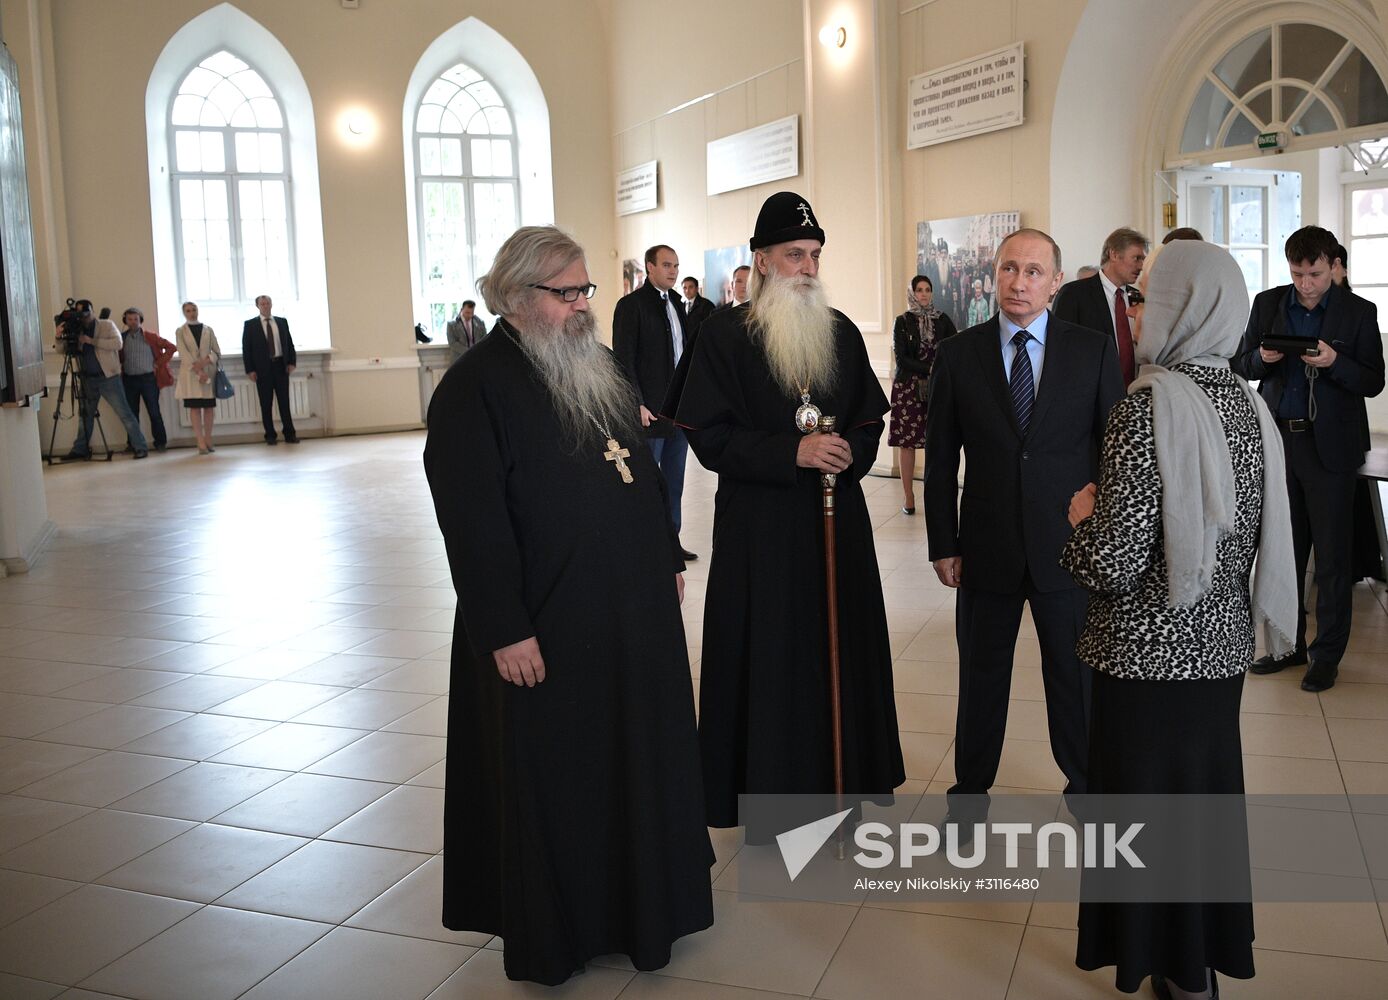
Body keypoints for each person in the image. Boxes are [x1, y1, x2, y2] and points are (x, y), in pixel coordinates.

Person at [423, 225, 713, 985]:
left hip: (633, 615)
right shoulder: (473, 389)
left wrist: (663, 557)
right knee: (564, 782)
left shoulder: (603, 366)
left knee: (637, 763)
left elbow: (641, 475)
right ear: (517, 299)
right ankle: (566, 930)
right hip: (544, 628)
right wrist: (505, 630)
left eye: (587, 289)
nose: (585, 305)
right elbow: (471, 524)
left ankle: (642, 909)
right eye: (568, 293)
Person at [1063, 240, 1297, 1000]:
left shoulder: (1149, 405)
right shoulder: (1247, 402)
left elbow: (1115, 562)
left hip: (1144, 660)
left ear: (1177, 307)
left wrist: (1081, 519)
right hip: (1218, 651)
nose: (1138, 310)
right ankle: (1197, 966)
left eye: (1147, 297)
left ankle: (1164, 965)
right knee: (1198, 809)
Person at [668, 191, 905, 835]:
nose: (807, 268)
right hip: (761, 528)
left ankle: (845, 784)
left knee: (838, 648)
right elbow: (709, 437)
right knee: (768, 653)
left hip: (837, 522)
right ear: (764, 262)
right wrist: (792, 452)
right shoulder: (723, 336)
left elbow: (866, 419)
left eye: (815, 256)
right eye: (794, 255)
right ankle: (770, 794)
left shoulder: (841, 331)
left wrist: (847, 453)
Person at [923, 228, 1124, 828]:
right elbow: (940, 459)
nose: (1019, 281)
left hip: (1068, 548)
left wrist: (1106, 535)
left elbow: (1113, 449)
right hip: (986, 547)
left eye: (1034, 271)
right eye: (1010, 268)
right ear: (995, 276)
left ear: (1056, 282)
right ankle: (970, 794)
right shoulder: (960, 355)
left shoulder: (1090, 350)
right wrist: (942, 541)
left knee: (1073, 676)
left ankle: (1085, 789)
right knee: (981, 677)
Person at [1231, 225, 1385, 691]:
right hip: (1279, 442)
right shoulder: (1269, 303)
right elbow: (1241, 365)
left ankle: (1327, 654)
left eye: (1314, 273)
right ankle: (1288, 645)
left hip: (1332, 450)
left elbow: (1373, 380)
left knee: (1333, 558)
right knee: (1284, 551)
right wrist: (1265, 356)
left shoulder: (1358, 312)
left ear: (1333, 267)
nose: (1305, 284)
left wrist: (1334, 363)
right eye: (1297, 273)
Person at [612, 243, 696, 559]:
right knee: (648, 480)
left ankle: (670, 541)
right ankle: (645, 544)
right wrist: (636, 402)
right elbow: (624, 359)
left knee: (674, 480)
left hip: (678, 411)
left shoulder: (677, 303)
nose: (673, 271)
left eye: (676, 265)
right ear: (650, 267)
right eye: (666, 265)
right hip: (649, 411)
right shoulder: (631, 306)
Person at [889, 274, 957, 515]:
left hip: (938, 387)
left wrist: (939, 371)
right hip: (908, 388)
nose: (924, 294)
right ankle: (908, 497)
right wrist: (930, 368)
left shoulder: (943, 320)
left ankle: (934, 495)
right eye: (919, 290)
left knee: (935, 443)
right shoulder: (902, 321)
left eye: (927, 289)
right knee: (907, 445)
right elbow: (902, 359)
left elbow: (954, 349)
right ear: (912, 293)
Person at [1054, 226, 1150, 385]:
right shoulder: (1074, 294)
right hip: (1091, 393)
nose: (1141, 266)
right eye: (1136, 258)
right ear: (1114, 254)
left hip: (1135, 392)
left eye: (1143, 260)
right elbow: (1061, 349)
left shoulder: (1140, 298)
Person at [60, 299, 150, 460]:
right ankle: (80, 449)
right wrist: (59, 336)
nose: (84, 317)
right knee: (85, 415)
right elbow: (63, 351)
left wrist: (91, 341)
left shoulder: (106, 325)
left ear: (92, 311)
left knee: (125, 414)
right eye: (81, 314)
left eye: (86, 313)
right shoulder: (76, 328)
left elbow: (118, 343)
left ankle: (140, 447)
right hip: (87, 379)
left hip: (109, 378)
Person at [242, 295, 299, 445]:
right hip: (262, 369)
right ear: (258, 306)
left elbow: (289, 343)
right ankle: (270, 435)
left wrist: (292, 361)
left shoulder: (281, 322)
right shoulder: (250, 325)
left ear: (271, 304)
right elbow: (246, 349)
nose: (266, 306)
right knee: (266, 403)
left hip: (280, 366)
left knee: (284, 402)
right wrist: (250, 370)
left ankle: (289, 433)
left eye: (268, 303)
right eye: (262, 304)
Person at [119, 308, 175, 453]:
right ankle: (133, 444)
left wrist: (158, 363)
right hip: (129, 379)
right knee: (131, 413)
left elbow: (171, 347)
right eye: (130, 319)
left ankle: (160, 442)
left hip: (148, 379)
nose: (133, 322)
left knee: (154, 412)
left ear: (140, 320)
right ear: (125, 320)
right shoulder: (121, 337)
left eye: (136, 319)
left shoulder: (150, 336)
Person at [173, 301, 221, 454]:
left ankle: (208, 438)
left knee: (208, 407)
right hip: (191, 374)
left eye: (194, 309)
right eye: (188, 310)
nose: (192, 313)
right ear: (184, 313)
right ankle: (199, 441)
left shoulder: (208, 330)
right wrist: (198, 370)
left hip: (208, 371)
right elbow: (183, 353)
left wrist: (206, 361)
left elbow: (217, 351)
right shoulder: (180, 331)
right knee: (195, 407)